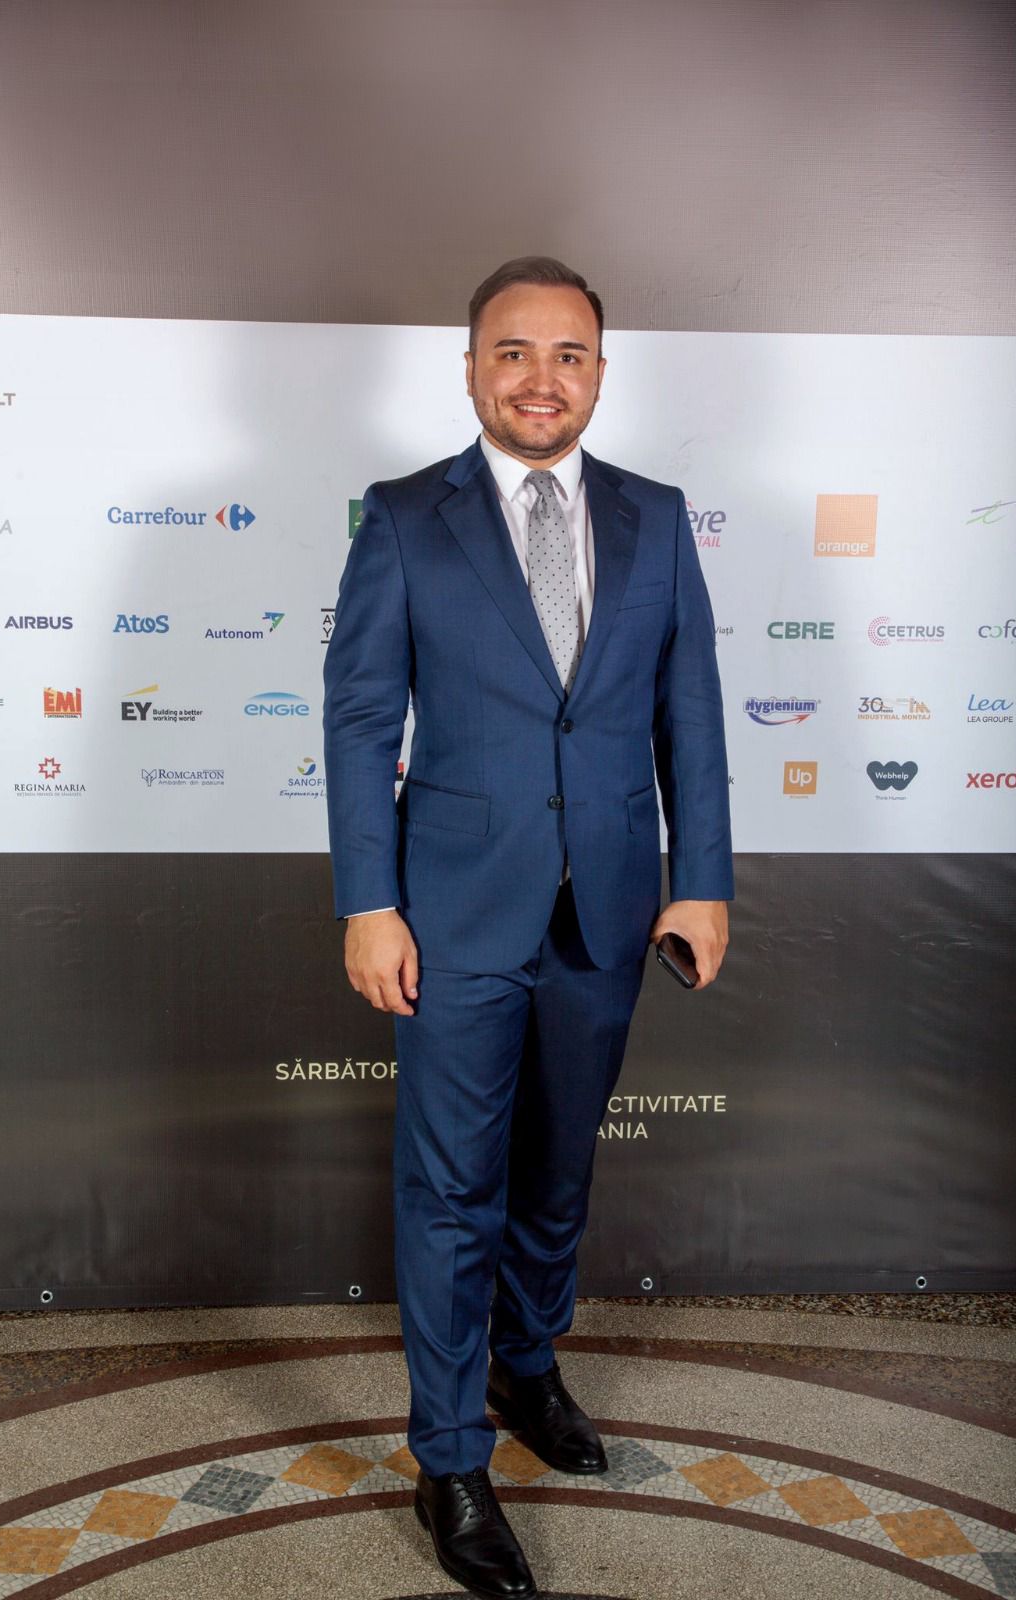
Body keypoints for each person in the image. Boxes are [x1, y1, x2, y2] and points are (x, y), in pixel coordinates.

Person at [323, 256, 732, 1600]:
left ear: (600, 373)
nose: (540, 379)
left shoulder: (656, 517)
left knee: (559, 1171)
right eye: (513, 352)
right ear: (470, 369)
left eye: (567, 355)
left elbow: (689, 711)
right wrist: (369, 902)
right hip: (450, 915)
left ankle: (525, 1363)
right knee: (451, 1191)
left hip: (607, 907)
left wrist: (701, 878)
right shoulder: (403, 517)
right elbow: (360, 721)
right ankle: (448, 1458)